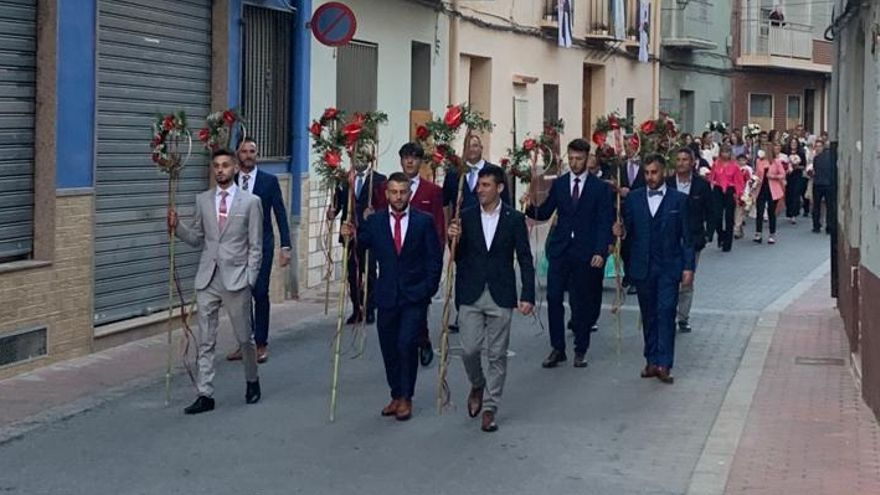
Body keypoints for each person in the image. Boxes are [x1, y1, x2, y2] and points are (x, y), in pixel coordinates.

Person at [167, 149, 263, 415]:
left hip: (236, 279)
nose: (220, 170)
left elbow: (256, 245)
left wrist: (250, 278)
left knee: (244, 337)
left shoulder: (251, 202)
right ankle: (205, 393)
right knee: (206, 338)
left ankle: (252, 380)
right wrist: (179, 228)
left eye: (225, 165)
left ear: (234, 169)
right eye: (216, 166)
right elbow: (198, 238)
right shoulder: (202, 200)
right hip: (207, 277)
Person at [340, 173, 442, 421]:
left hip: (414, 295)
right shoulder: (375, 222)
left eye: (403, 192)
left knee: (406, 343)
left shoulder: (423, 222)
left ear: (409, 193)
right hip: (386, 294)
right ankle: (395, 393)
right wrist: (348, 235)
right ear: (386, 194)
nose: (398, 197)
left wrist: (427, 288)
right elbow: (359, 245)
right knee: (388, 347)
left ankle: (407, 396)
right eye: (394, 192)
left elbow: (434, 258)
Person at [447, 165, 535, 433]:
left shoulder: (514, 219)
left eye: (486, 185)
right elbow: (456, 257)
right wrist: (454, 240)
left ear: (499, 188)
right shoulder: (465, 217)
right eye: (479, 185)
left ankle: (490, 407)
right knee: (470, 349)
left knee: (497, 354)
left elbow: (524, 258)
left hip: (501, 293)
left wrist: (527, 294)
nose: (480, 190)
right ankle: (477, 383)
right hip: (470, 293)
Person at [523, 138, 614, 369]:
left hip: (585, 251)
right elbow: (544, 212)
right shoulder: (560, 185)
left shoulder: (599, 188)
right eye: (571, 158)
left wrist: (600, 251)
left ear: (587, 158)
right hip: (560, 250)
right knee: (554, 297)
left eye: (579, 159)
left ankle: (581, 349)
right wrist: (530, 202)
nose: (574, 163)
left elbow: (605, 222)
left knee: (580, 301)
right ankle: (557, 347)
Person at [613, 155, 695, 384]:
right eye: (647, 173)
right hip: (643, 267)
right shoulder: (634, 199)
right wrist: (621, 231)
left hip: (669, 267)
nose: (650, 177)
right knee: (648, 314)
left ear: (663, 172)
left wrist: (689, 267)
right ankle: (650, 359)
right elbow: (629, 231)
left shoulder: (679, 201)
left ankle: (664, 363)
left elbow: (687, 238)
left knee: (666, 312)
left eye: (654, 172)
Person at [225, 138, 291, 364]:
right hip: (236, 248)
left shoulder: (268, 182)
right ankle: (245, 343)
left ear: (257, 154)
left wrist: (286, 246)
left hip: (261, 246)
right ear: (237, 154)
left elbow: (280, 214)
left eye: (252, 151)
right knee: (240, 296)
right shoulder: (230, 181)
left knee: (260, 292)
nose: (248, 155)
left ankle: (261, 343)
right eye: (244, 151)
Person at [398, 142, 445, 367]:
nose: (410, 162)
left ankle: (423, 340)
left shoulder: (432, 191)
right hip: (398, 258)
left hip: (421, 260)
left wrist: (437, 256)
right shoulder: (391, 188)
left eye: (414, 158)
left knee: (419, 304)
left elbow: (438, 225)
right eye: (406, 157)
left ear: (420, 162)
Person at [328, 161, 387, 325]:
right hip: (350, 234)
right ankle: (356, 308)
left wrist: (375, 213)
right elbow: (336, 205)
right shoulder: (344, 179)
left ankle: (369, 308)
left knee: (369, 272)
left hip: (371, 234)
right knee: (352, 274)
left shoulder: (380, 180)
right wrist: (331, 212)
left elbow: (384, 206)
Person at [667, 148, 709, 334]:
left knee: (687, 279)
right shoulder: (667, 184)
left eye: (685, 159)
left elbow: (711, 209)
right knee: (670, 278)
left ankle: (683, 317)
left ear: (692, 162)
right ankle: (669, 313)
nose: (682, 163)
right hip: (670, 238)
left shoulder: (701, 185)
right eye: (679, 159)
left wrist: (708, 233)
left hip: (692, 239)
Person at [443, 134, 510, 213]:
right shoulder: (453, 174)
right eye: (468, 146)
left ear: (481, 148)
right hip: (461, 222)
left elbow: (505, 201)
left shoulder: (495, 172)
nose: (471, 149)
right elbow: (445, 203)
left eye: (475, 146)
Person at [707, 145, 744, 252]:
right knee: (717, 216)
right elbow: (711, 178)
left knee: (729, 218)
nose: (725, 154)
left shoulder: (735, 166)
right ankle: (720, 235)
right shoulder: (716, 164)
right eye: (723, 152)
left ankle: (727, 243)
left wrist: (740, 195)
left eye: (727, 152)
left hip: (730, 190)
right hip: (718, 190)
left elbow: (739, 182)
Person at [754, 144, 786, 244]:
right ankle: (758, 233)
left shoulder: (776, 162)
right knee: (759, 211)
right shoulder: (759, 161)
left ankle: (772, 234)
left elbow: (782, 174)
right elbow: (757, 173)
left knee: (771, 212)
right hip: (761, 188)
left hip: (773, 189)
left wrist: (773, 176)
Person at [809, 139, 833, 233]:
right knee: (826, 206)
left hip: (821, 184)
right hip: (823, 183)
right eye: (816, 146)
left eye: (819, 146)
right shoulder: (818, 158)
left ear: (823, 147)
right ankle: (827, 227)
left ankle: (817, 226)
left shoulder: (818, 158)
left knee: (818, 206)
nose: (818, 148)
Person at [784, 137, 807, 223]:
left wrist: (797, 166)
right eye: (792, 143)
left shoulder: (801, 153)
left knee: (796, 194)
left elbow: (804, 165)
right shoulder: (786, 153)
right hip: (788, 176)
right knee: (788, 194)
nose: (793, 144)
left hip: (797, 176)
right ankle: (789, 212)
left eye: (795, 143)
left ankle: (794, 214)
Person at [733, 154, 755, 239]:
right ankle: (737, 229)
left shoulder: (748, 169)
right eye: (739, 160)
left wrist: (751, 190)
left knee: (745, 210)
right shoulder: (735, 169)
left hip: (746, 191)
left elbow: (751, 180)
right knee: (738, 210)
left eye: (743, 160)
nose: (741, 162)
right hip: (738, 192)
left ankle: (739, 226)